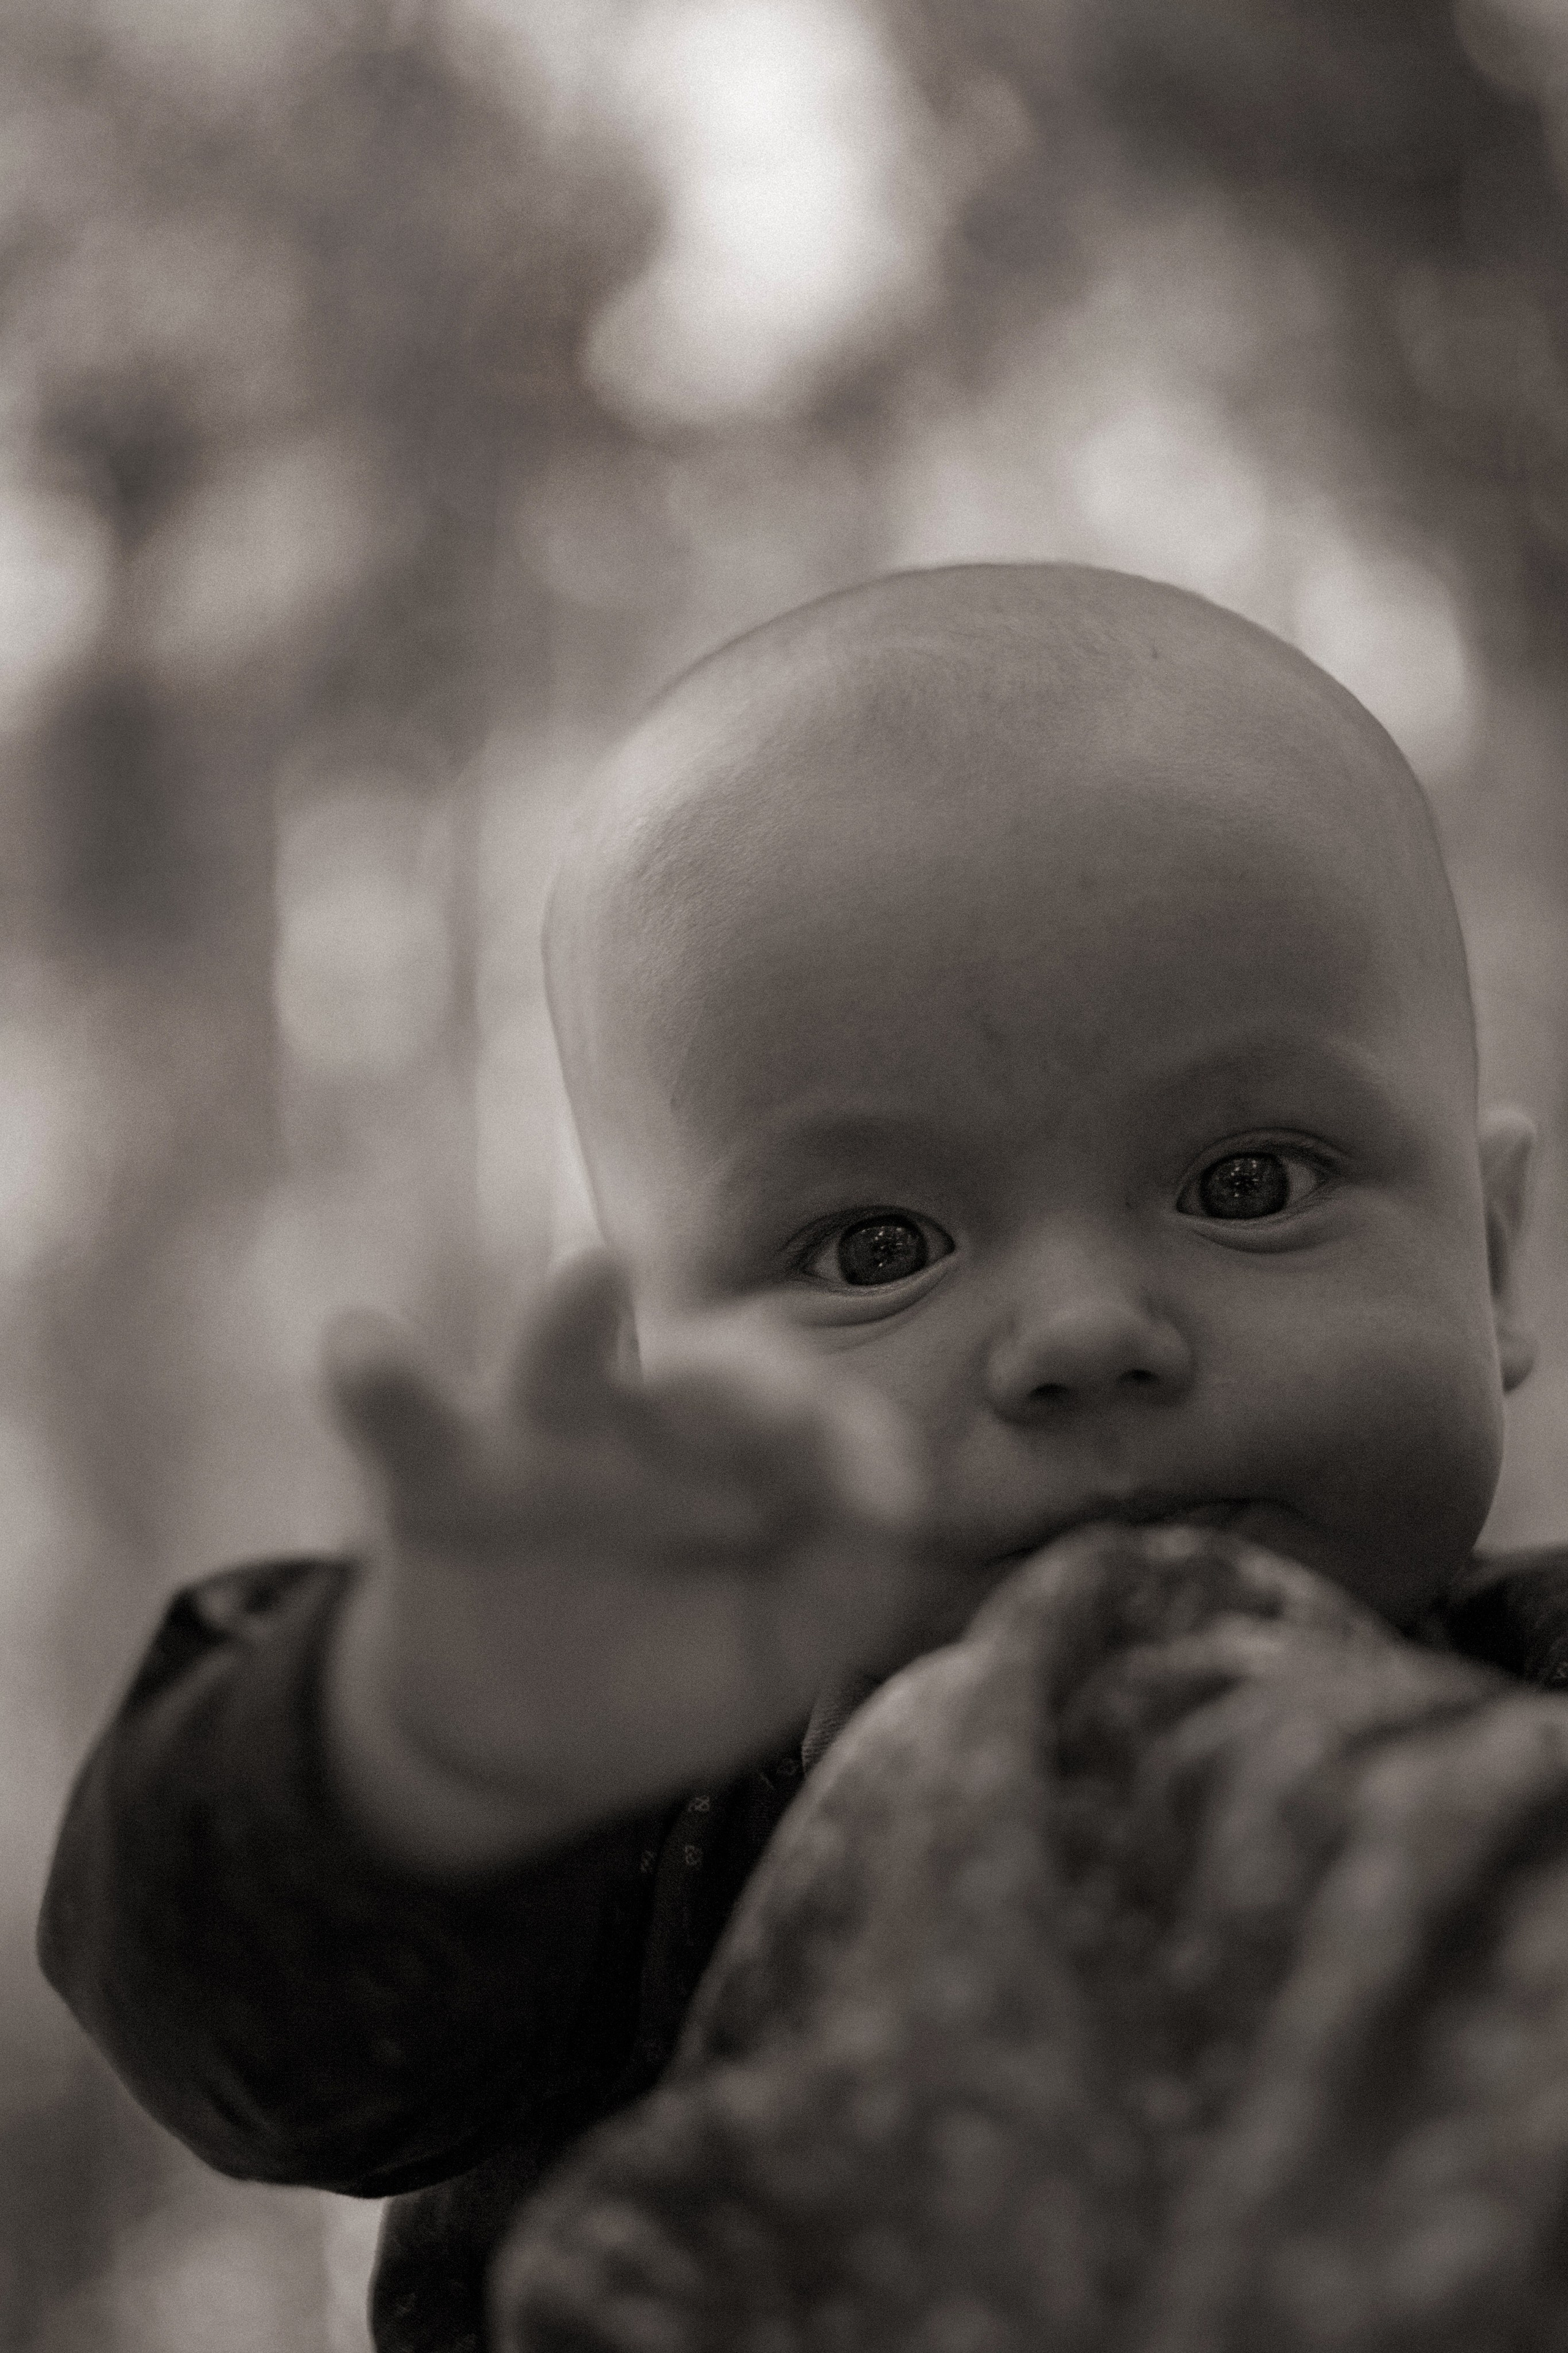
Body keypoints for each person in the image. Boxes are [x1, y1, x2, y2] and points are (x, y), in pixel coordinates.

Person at [39, 565, 1567, 2353]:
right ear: (654, 1384)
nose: (1082, 1333)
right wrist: (429, 1734)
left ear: (1487, 1250)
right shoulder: (637, 1842)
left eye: (1250, 1184)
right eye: (874, 1248)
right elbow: (243, 2019)